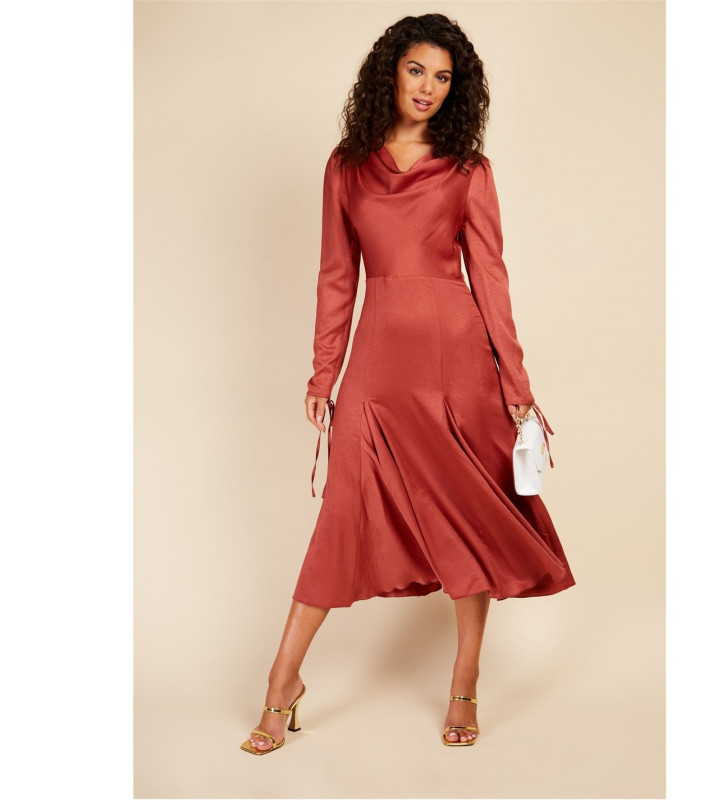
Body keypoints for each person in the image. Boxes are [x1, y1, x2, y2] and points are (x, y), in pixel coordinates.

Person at [241, 12, 576, 755]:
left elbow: (491, 279)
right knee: (343, 515)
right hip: (378, 368)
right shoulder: (346, 166)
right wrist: (325, 369)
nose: (427, 87)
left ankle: (464, 681)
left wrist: (515, 381)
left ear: (457, 90)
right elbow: (337, 276)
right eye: (417, 69)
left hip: (460, 367)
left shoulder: (468, 170)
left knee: (468, 518)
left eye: (443, 77)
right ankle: (281, 684)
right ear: (390, 72)